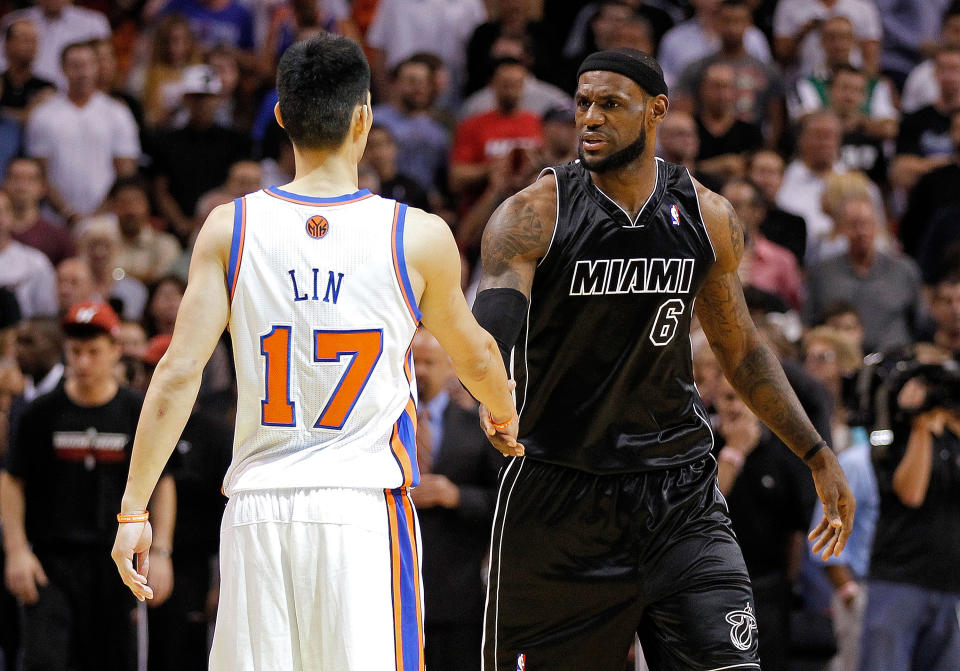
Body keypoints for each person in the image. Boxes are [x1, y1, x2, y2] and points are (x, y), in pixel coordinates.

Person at [110, 33, 520, 671]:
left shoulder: (229, 226)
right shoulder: (416, 235)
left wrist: (133, 508)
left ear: (279, 116)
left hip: (256, 510)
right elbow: (478, 355)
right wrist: (502, 412)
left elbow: (177, 373)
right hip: (361, 510)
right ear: (365, 116)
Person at [472, 47, 855, 671]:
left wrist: (815, 451)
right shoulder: (534, 213)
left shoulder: (706, 216)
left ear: (657, 112)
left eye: (610, 105)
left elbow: (741, 349)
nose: (590, 118)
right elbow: (493, 322)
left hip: (679, 491)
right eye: (583, 104)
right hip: (560, 491)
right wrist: (489, 387)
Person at [0, 301, 175, 671]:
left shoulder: (136, 413)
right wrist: (16, 550)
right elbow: (11, 481)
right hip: (52, 564)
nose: (83, 362)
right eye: (75, 351)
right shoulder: (39, 413)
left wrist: (161, 552)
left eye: (93, 351)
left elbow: (163, 483)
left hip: (118, 564)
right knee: (45, 662)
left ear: (115, 351)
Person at [410, 329, 503, 671]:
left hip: (457, 597)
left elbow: (503, 506)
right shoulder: (382, 429)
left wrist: (455, 496)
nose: (420, 370)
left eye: (429, 362)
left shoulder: (477, 429)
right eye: (414, 361)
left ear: (450, 366)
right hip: (394, 592)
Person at [25, 40, 141, 221]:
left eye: (88, 64)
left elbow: (126, 172)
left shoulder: (117, 113)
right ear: (63, 69)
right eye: (75, 66)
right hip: (56, 218)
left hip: (106, 219)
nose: (83, 72)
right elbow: (40, 173)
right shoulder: (43, 115)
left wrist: (97, 214)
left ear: (97, 67)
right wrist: (68, 213)